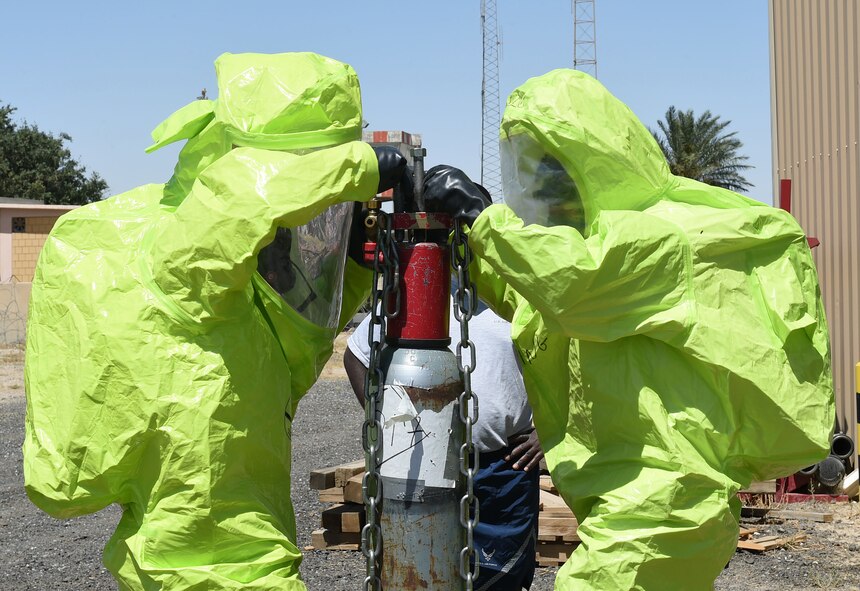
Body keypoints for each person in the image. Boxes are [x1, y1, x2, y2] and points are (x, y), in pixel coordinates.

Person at [422, 69, 834, 590]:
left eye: (552, 170)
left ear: (594, 161)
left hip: (667, 501)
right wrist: (467, 246)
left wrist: (483, 219)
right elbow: (531, 299)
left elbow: (571, 282)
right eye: (527, 170)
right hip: (634, 503)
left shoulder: (661, 236)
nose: (538, 190)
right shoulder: (590, 251)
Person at [23, 52, 409, 590]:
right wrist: (359, 166)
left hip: (245, 543)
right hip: (204, 563)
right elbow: (236, 203)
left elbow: (297, 348)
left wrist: (353, 270)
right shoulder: (181, 255)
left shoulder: (242, 296)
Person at [344, 290, 543, 590]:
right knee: (423, 569)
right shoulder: (421, 292)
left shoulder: (520, 297)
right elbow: (356, 355)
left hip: (507, 468)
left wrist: (549, 432)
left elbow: (568, 365)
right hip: (428, 467)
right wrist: (383, 423)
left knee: (503, 576)